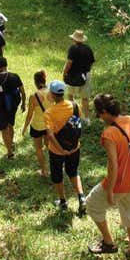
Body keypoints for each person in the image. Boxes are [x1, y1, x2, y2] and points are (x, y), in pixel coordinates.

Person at [86, 93, 130, 257]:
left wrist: (110, 190)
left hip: (117, 183)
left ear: (105, 112)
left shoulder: (109, 133)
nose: (100, 118)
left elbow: (113, 164)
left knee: (92, 204)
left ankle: (108, 242)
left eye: (99, 115)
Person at [44, 80, 86, 214]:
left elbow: (50, 135)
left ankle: (63, 201)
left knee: (57, 175)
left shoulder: (49, 113)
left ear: (52, 94)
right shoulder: (74, 105)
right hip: (74, 147)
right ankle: (81, 197)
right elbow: (78, 123)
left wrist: (61, 150)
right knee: (73, 172)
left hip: (56, 151)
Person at [0, 57, 26, 159]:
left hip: (1, 106)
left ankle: (10, 153)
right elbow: (22, 92)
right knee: (10, 124)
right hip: (13, 105)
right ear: (6, 65)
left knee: (4, 128)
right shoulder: (15, 76)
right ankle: (11, 143)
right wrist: (23, 103)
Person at [21, 70, 54, 176]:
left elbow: (29, 115)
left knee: (38, 148)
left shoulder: (34, 96)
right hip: (49, 125)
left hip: (37, 126)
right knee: (49, 146)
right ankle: (54, 166)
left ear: (35, 82)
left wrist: (24, 128)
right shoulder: (52, 92)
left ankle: (43, 170)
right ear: (45, 79)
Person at [63, 30, 95, 125]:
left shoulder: (72, 49)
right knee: (85, 98)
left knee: (70, 95)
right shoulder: (88, 49)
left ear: (74, 39)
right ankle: (87, 118)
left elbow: (69, 63)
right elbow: (91, 62)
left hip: (73, 75)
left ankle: (73, 116)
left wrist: (64, 73)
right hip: (85, 75)